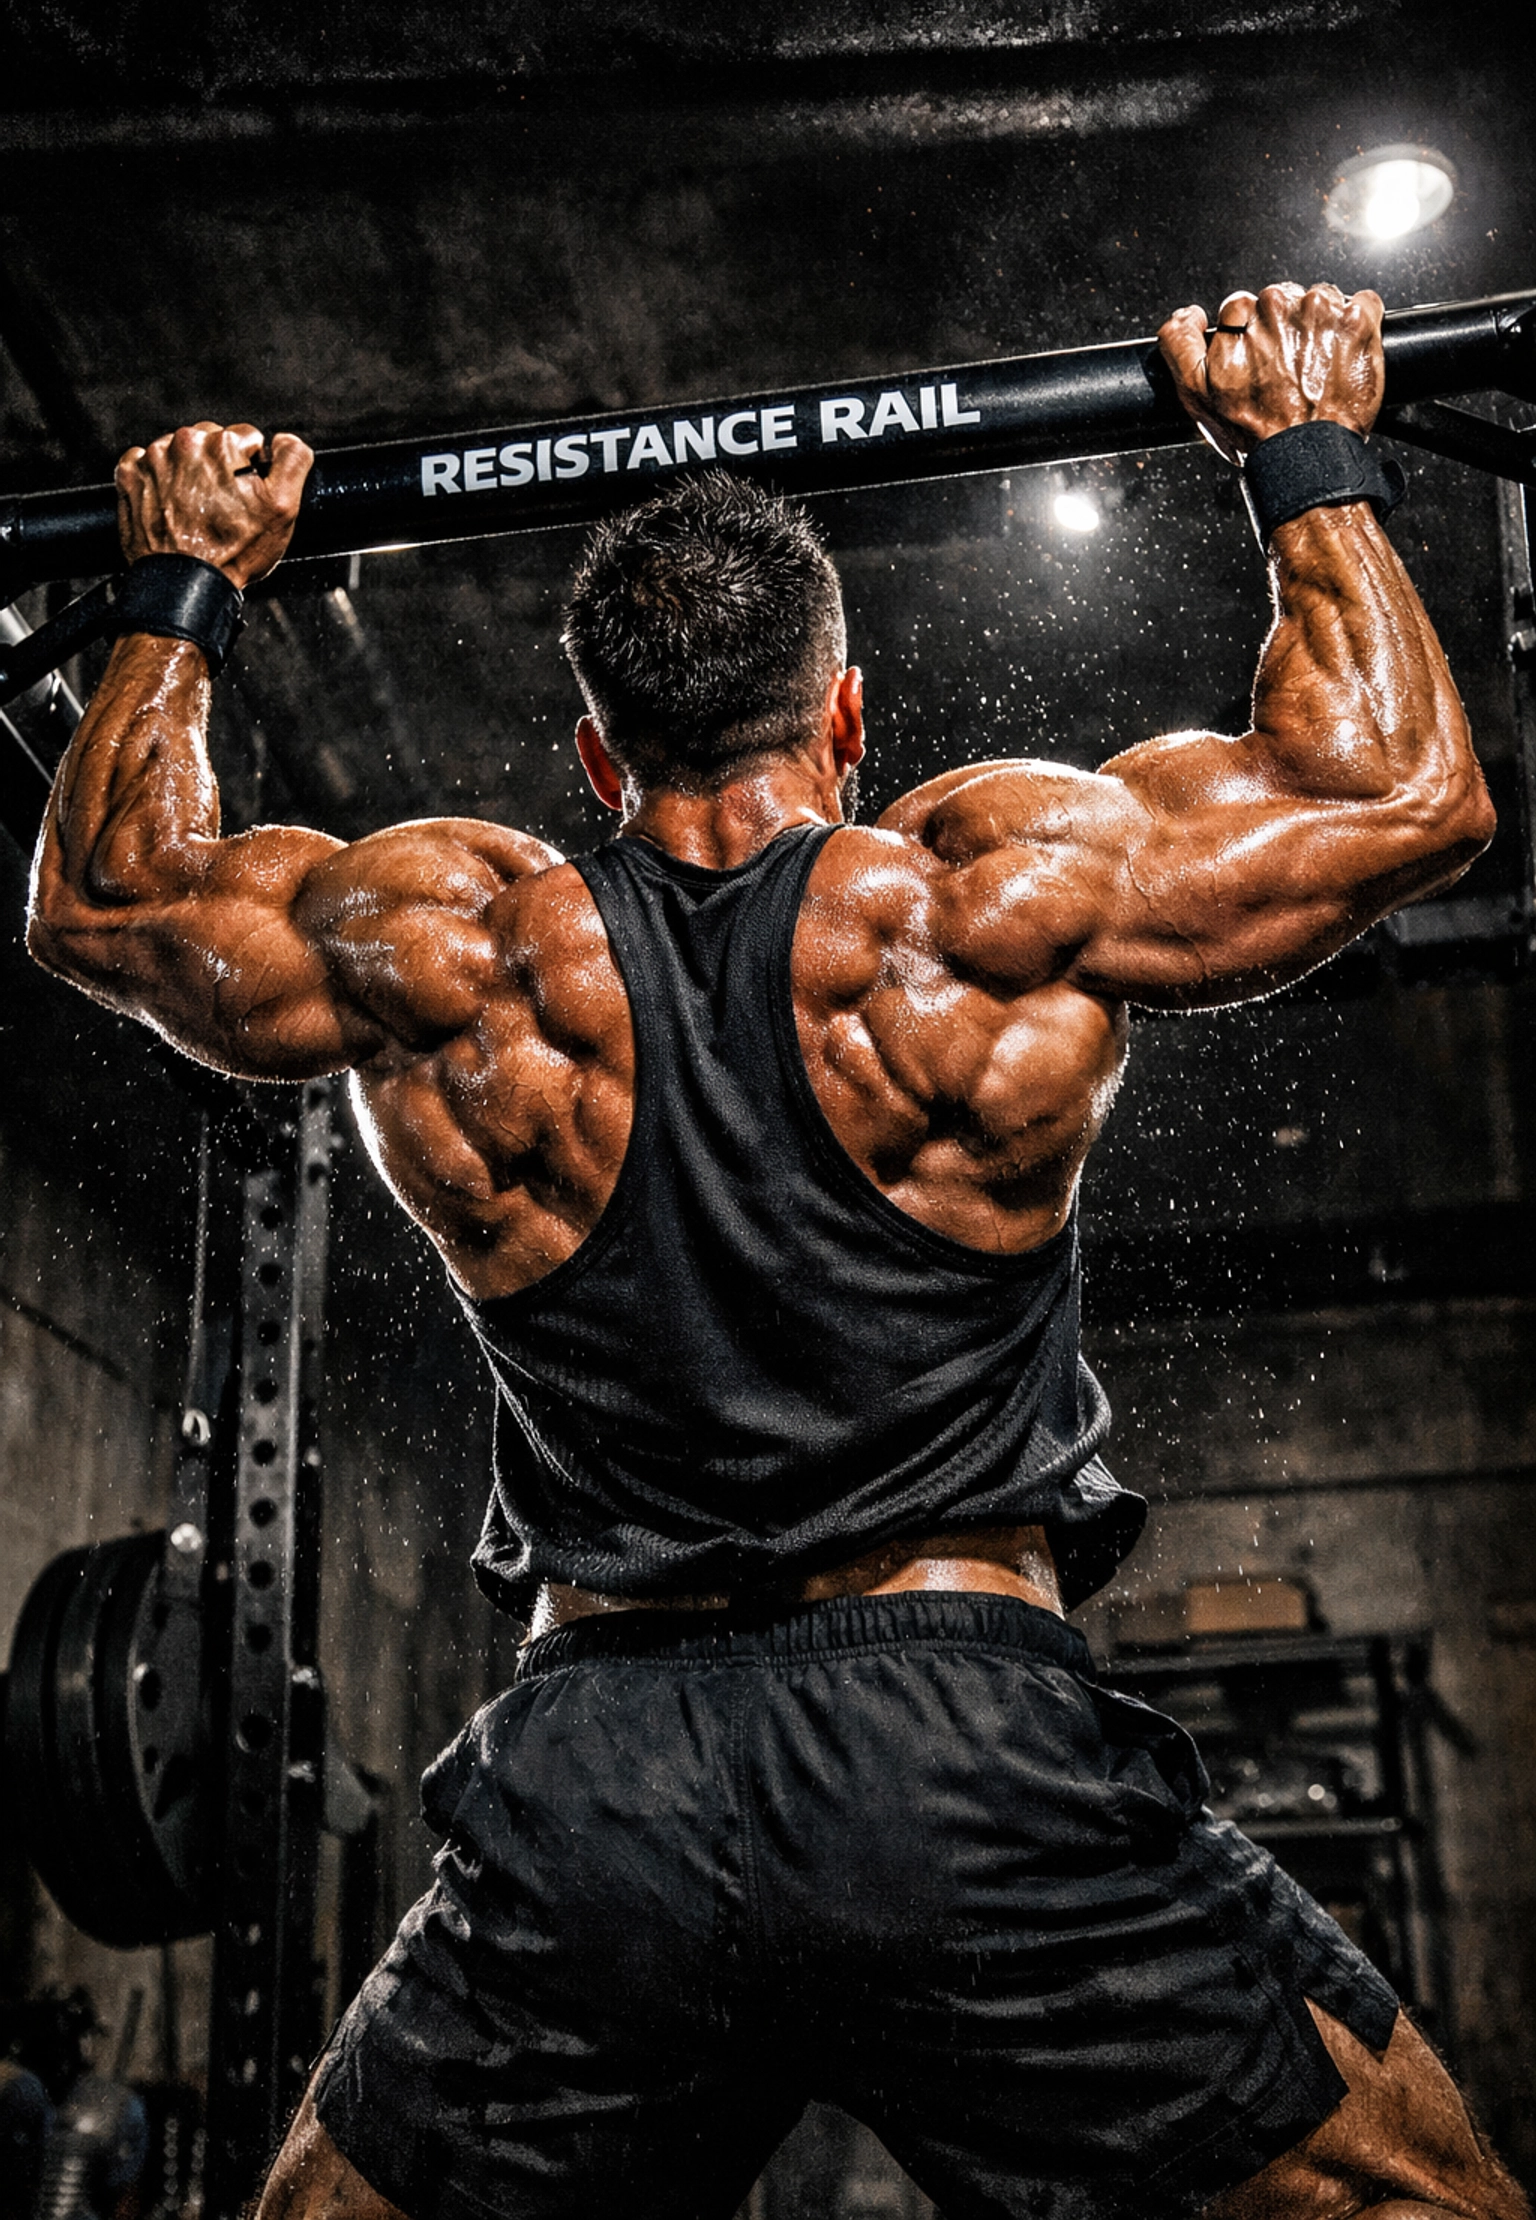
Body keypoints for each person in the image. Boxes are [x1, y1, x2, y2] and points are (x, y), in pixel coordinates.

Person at [26, 282, 1526, 2220]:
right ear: (847, 712)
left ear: (590, 751)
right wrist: (1303, 451)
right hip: (961, 1753)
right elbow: (1404, 792)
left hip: (605, 1794)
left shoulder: (463, 950)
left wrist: (184, 586)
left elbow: (107, 901)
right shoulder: (981, 901)